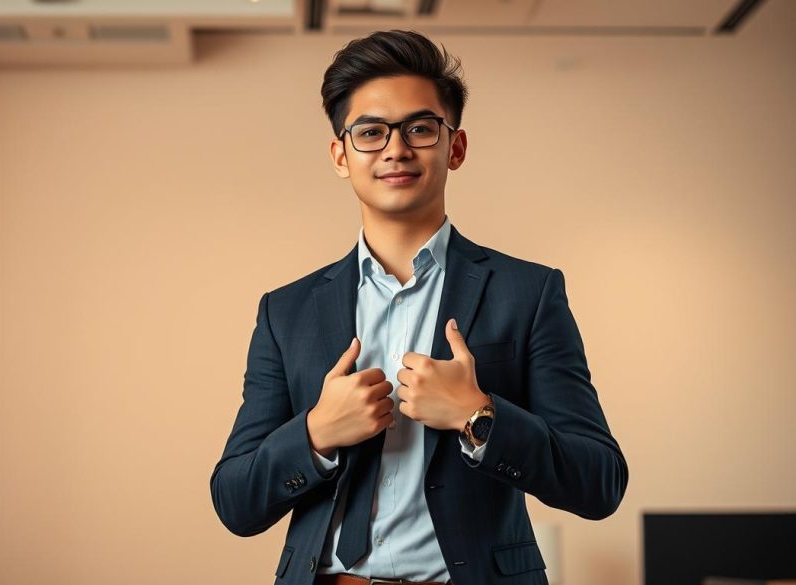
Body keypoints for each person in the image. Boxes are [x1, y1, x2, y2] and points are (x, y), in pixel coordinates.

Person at [209, 29, 628, 585]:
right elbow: (235, 501)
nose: (396, 149)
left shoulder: (529, 293)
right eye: (371, 132)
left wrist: (478, 416)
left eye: (420, 128)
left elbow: (599, 483)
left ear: (455, 147)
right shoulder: (286, 313)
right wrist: (316, 432)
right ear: (341, 154)